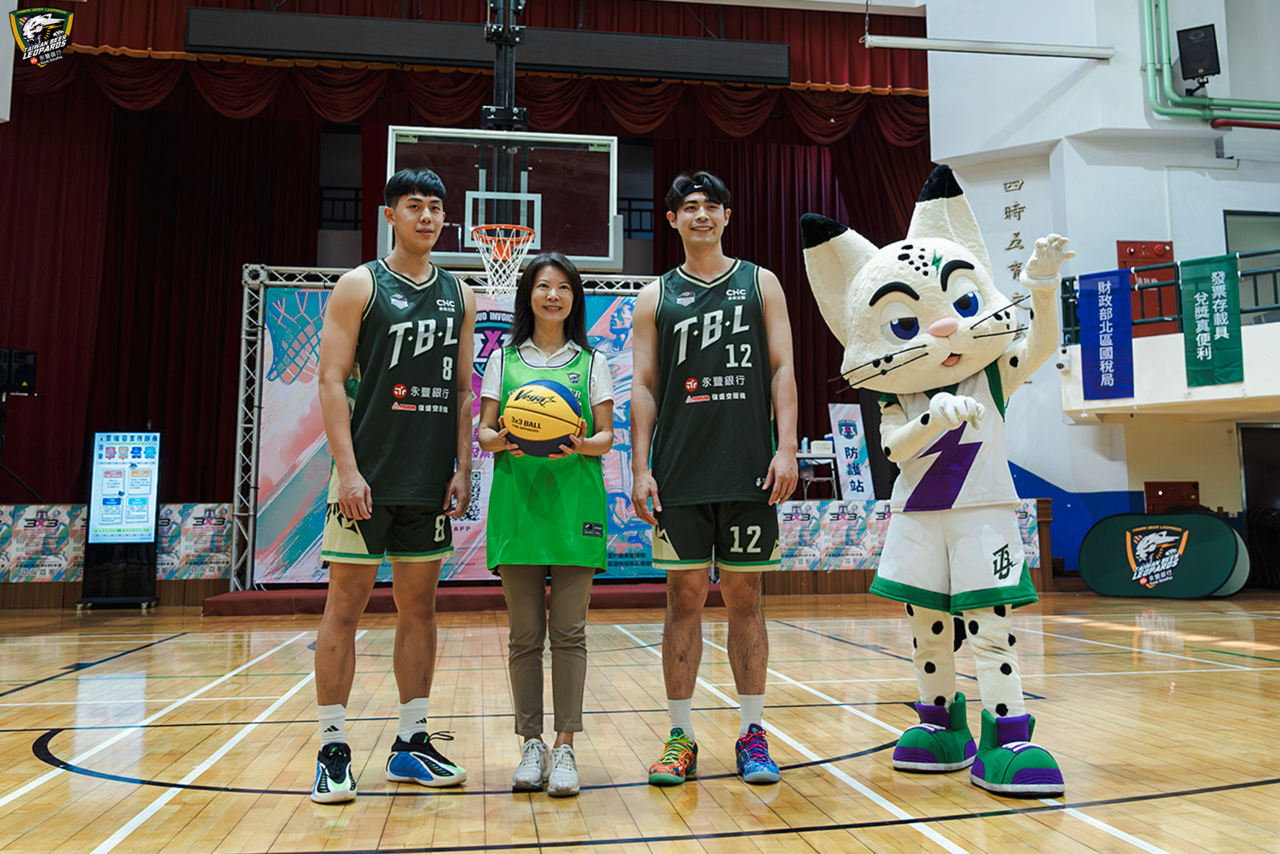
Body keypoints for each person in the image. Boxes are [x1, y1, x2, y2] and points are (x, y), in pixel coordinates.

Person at [311, 167, 477, 803]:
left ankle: (411, 743)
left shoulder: (458, 293)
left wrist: (462, 467)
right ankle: (332, 749)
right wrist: (349, 470)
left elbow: (463, 390)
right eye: (414, 206)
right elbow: (331, 380)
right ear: (390, 215)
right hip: (366, 477)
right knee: (344, 607)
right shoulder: (360, 284)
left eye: (435, 207)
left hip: (426, 479)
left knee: (420, 608)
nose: (426, 217)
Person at [630, 170, 799, 786]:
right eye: (690, 206)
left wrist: (786, 448)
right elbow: (644, 386)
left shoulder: (761, 283)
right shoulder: (655, 296)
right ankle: (681, 737)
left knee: (746, 600)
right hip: (680, 474)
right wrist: (640, 466)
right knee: (683, 601)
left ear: (728, 216)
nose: (701, 214)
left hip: (750, 470)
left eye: (712, 206)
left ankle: (753, 734)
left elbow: (782, 369)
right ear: (672, 220)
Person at [477, 252, 614, 798]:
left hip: (575, 506)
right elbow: (485, 432)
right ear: (528, 296)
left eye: (562, 288)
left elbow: (606, 437)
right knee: (525, 635)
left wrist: (581, 444)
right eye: (542, 286)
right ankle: (530, 745)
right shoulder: (503, 359)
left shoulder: (592, 362)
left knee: (570, 633)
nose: (552, 295)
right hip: (519, 506)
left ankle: (565, 747)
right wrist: (499, 439)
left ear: (574, 299)